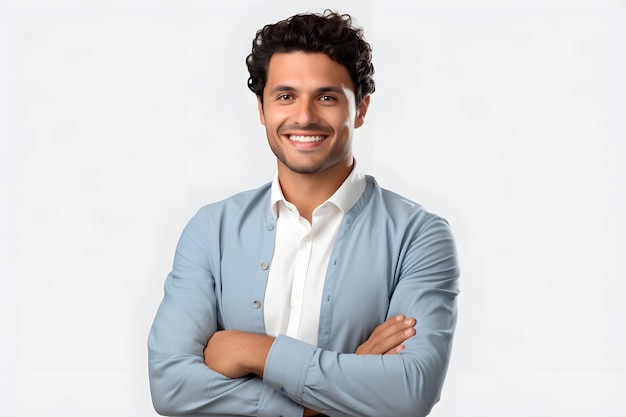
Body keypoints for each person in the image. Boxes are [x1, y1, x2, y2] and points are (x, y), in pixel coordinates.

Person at [148, 10, 459, 417]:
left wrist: (252, 350)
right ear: (262, 109)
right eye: (286, 96)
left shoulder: (418, 236)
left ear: (361, 109)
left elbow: (409, 392)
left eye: (327, 97)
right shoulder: (211, 230)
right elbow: (170, 386)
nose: (304, 117)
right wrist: (336, 394)